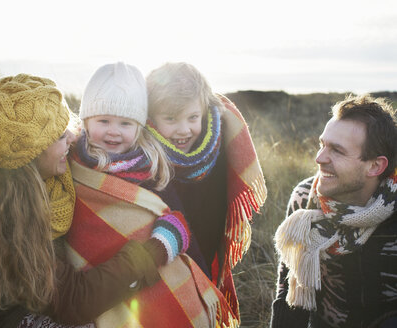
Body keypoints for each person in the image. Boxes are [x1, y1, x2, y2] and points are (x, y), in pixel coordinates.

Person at [0, 74, 169, 328]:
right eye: (59, 136)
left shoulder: (39, 179)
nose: (72, 138)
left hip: (31, 301)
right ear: (28, 155)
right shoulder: (0, 215)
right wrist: (154, 251)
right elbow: (74, 302)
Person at [65, 62, 236, 327]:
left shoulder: (151, 168)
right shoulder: (72, 163)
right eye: (103, 121)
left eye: (125, 123)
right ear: (86, 120)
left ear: (139, 127)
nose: (113, 131)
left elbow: (176, 222)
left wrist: (201, 280)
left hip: (146, 278)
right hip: (92, 282)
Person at [145, 62, 267, 323]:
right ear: (151, 117)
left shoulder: (218, 145)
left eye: (192, 117)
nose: (184, 130)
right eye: (170, 119)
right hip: (164, 258)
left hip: (207, 245)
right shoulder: (145, 157)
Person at [271, 94, 397, 328]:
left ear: (375, 166)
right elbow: (289, 290)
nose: (319, 158)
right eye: (322, 144)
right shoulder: (305, 201)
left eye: (337, 151)